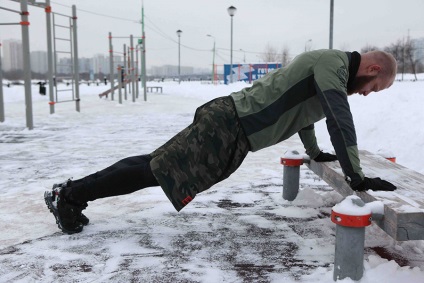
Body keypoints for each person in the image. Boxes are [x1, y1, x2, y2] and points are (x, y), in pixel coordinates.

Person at [45, 49, 398, 234]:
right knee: (156, 170)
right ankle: (71, 195)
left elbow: (307, 114)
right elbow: (339, 117)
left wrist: (314, 151)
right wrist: (357, 177)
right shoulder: (332, 64)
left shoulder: (331, 71)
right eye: (374, 89)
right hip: (229, 124)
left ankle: (71, 193)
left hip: (232, 127)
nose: (367, 94)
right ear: (374, 70)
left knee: (155, 165)